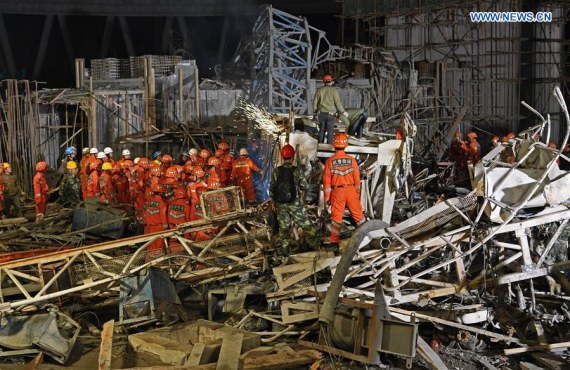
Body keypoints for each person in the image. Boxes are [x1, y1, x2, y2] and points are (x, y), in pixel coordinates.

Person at [271, 144, 319, 255]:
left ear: (282, 157)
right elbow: (305, 186)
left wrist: (274, 202)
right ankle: (315, 248)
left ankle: (285, 253)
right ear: (292, 157)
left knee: (283, 230)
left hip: (281, 206)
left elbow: (271, 189)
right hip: (295, 205)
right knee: (308, 227)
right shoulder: (296, 171)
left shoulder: (276, 171)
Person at [323, 133, 365, 245]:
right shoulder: (352, 160)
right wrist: (355, 194)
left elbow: (327, 182)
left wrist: (327, 198)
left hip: (337, 192)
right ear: (346, 145)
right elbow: (357, 179)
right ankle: (366, 237)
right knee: (359, 216)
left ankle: (334, 243)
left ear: (334, 144)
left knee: (336, 218)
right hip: (350, 190)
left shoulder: (329, 161)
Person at [313, 74, 348, 144]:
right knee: (330, 131)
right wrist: (343, 112)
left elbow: (315, 102)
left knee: (322, 130)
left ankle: (320, 145)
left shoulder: (319, 90)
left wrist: (315, 111)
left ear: (324, 82)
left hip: (321, 114)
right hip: (331, 114)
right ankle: (329, 146)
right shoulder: (334, 90)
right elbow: (338, 103)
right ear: (331, 81)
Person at [142, 184, 168, 255]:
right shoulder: (161, 203)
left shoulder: (149, 203)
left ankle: (150, 258)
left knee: (151, 244)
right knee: (159, 245)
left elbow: (146, 215)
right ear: (162, 193)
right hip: (159, 227)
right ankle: (159, 261)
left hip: (150, 227)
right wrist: (166, 227)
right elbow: (163, 216)